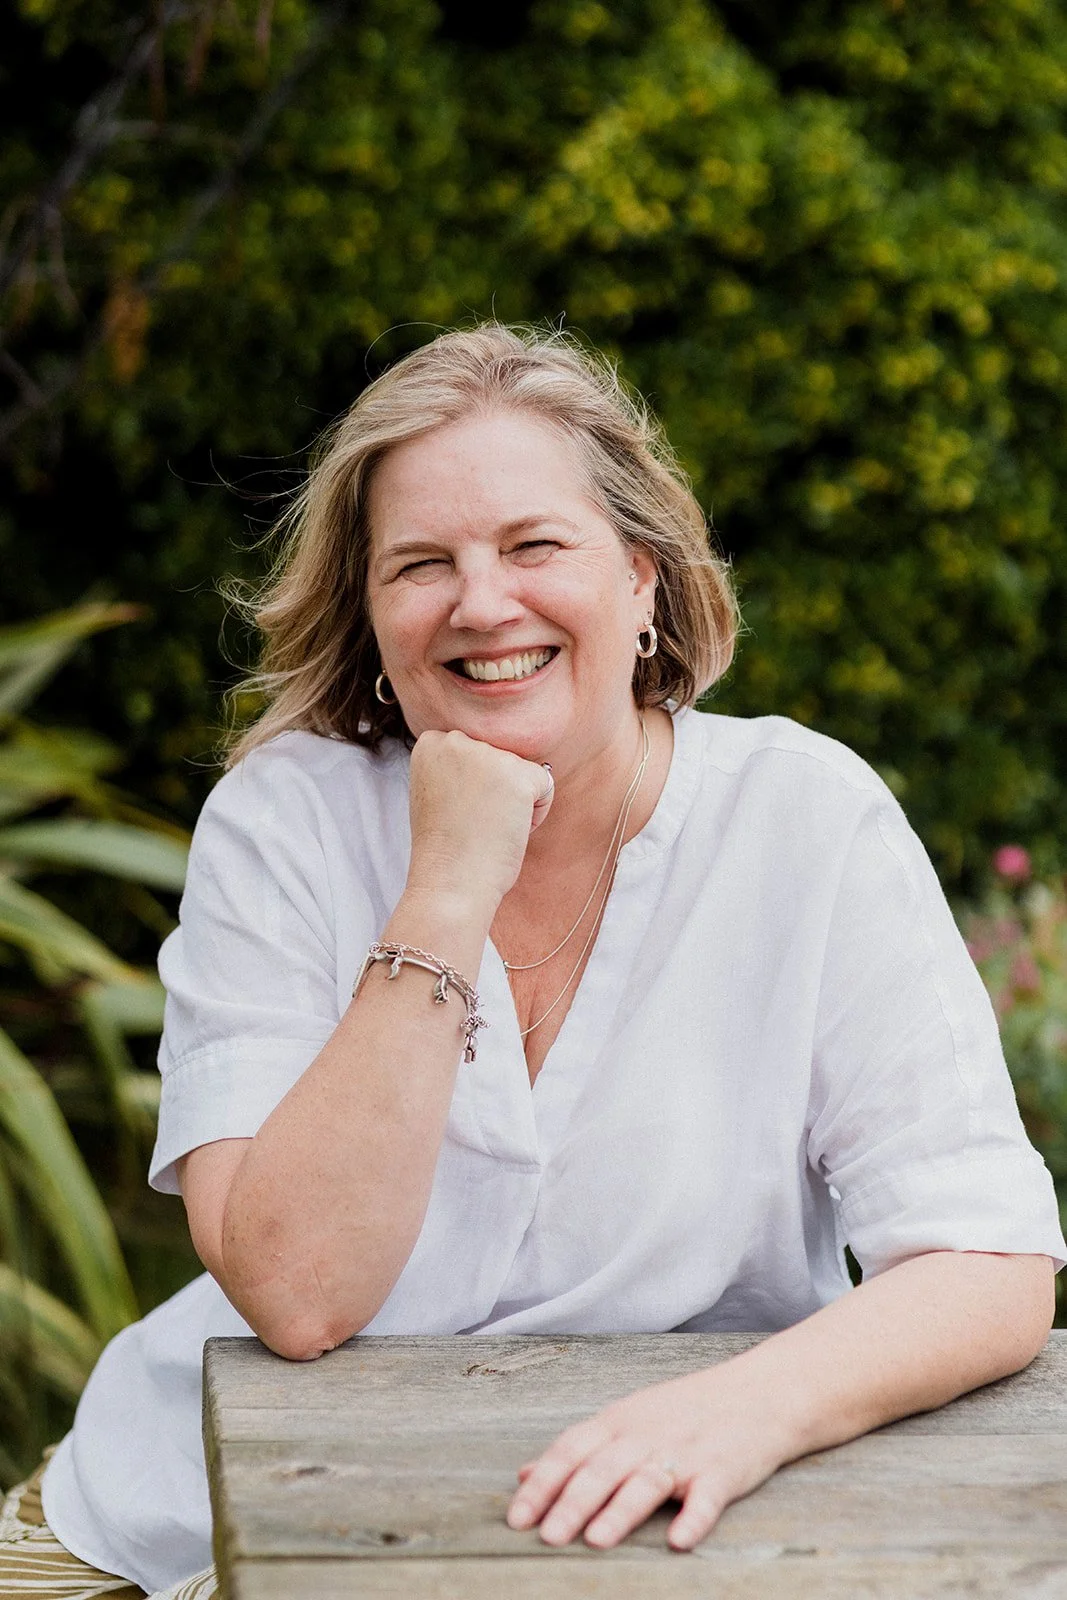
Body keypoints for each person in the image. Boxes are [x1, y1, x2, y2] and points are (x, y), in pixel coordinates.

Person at [3, 323, 1063, 1599]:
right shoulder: (285, 820)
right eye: (420, 565)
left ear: (642, 584)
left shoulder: (806, 819)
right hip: (191, 1514)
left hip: (662, 1510)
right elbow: (296, 1294)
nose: (481, 602)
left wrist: (738, 1410)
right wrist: (444, 889)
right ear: (374, 619)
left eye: (532, 545)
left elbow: (984, 1261)